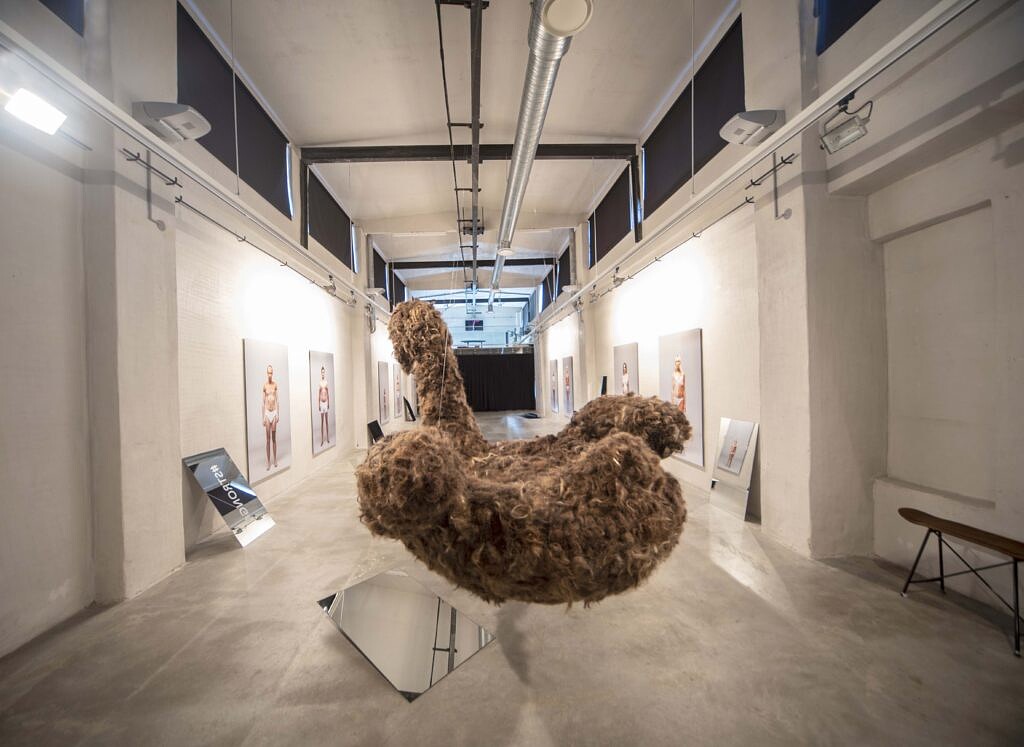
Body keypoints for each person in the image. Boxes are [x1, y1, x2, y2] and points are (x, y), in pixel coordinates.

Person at [262, 365, 280, 470]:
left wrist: (277, 414)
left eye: (271, 372)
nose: (270, 374)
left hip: (274, 413)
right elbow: (263, 402)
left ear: (272, 373)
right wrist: (263, 417)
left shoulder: (275, 385)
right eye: (268, 372)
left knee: (274, 438)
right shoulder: (264, 386)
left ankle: (275, 459)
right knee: (268, 439)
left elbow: (277, 400)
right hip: (267, 413)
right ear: (266, 373)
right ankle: (268, 462)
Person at [318, 366, 330, 447]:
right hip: (321, 404)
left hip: (325, 403)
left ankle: (328, 437)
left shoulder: (326, 382)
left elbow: (328, 394)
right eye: (322, 372)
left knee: (326, 421)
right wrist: (318, 404)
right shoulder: (320, 383)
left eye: (323, 372)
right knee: (322, 422)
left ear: (324, 373)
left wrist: (328, 403)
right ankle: (322, 439)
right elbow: (318, 394)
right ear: (320, 373)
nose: (323, 373)